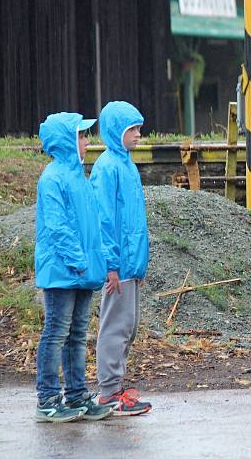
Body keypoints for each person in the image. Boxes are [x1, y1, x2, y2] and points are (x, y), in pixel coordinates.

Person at [34, 112, 114, 423]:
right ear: (67, 140)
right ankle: (48, 398)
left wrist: (99, 261)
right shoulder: (52, 178)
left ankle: (77, 396)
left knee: (77, 334)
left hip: (82, 271)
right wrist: (80, 261)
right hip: (62, 271)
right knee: (56, 333)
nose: (87, 141)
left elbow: (94, 227)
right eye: (81, 136)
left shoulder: (80, 178)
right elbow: (58, 228)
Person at [91, 101, 152, 416]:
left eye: (139, 128)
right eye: (132, 129)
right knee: (115, 326)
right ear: (116, 131)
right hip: (119, 265)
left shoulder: (125, 164)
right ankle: (109, 393)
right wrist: (111, 265)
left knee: (126, 324)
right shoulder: (108, 167)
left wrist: (137, 263)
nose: (138, 134)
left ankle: (114, 387)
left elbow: (132, 221)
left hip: (130, 264)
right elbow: (104, 221)